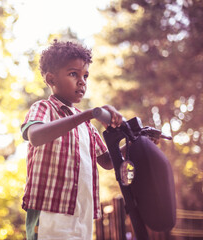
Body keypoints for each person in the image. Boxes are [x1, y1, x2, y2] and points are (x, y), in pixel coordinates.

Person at [21, 40, 124, 240]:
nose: (82, 81)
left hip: (81, 214)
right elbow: (35, 136)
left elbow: (108, 161)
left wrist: (137, 144)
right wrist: (87, 115)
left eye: (85, 75)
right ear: (51, 79)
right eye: (73, 74)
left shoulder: (87, 125)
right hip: (49, 211)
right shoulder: (44, 109)